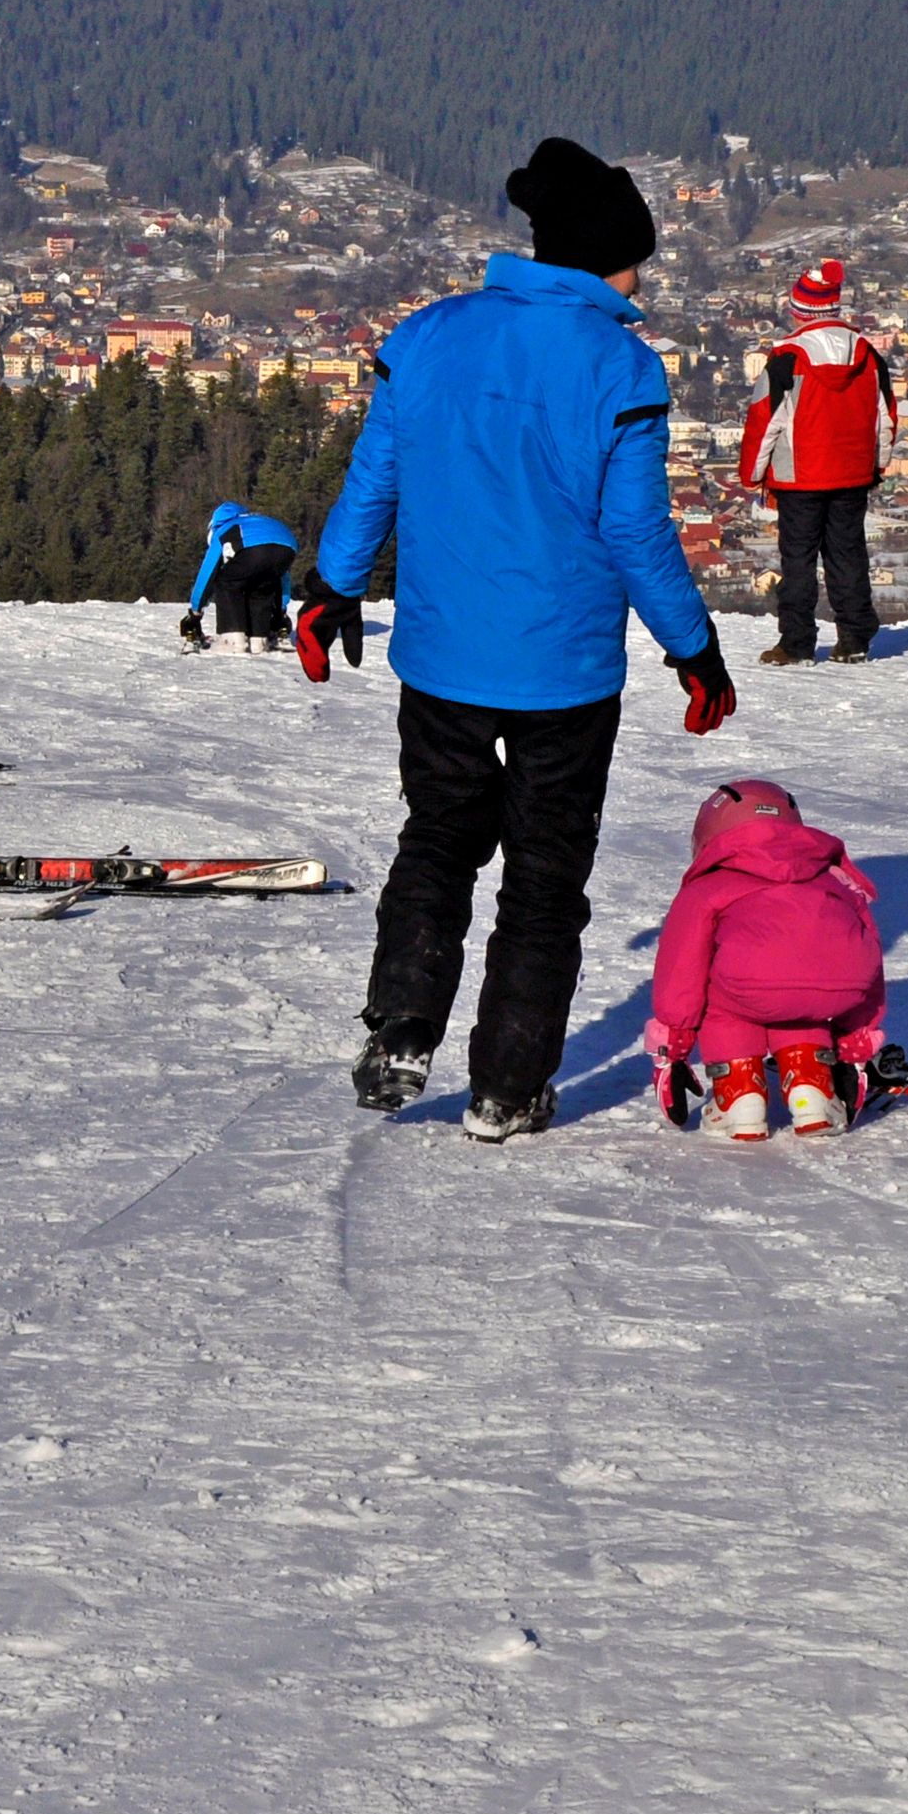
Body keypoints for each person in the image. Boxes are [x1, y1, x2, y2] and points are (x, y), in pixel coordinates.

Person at [310, 137, 738, 1140]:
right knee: (543, 883)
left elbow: (376, 480)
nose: (641, 276)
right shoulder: (619, 364)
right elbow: (633, 530)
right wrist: (692, 646)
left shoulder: (425, 336)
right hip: (564, 672)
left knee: (438, 836)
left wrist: (331, 588)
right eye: (636, 257)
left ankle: (402, 1025)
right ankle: (507, 1087)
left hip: (445, 657)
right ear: (601, 257)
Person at [643, 780, 887, 1140]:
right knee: (799, 995)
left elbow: (682, 969)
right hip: (839, 987)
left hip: (749, 988)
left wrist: (673, 1048)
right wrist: (855, 1043)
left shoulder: (710, 885)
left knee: (725, 995)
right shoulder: (834, 878)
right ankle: (811, 1086)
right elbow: (867, 950)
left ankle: (740, 1095)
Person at [742, 257, 898, 665]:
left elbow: (765, 420)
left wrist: (752, 474)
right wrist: (877, 465)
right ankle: (855, 638)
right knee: (848, 555)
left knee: (798, 561)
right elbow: (885, 417)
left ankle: (795, 643)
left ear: (800, 311)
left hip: (799, 477)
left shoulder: (787, 358)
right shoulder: (867, 356)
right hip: (852, 474)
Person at [180, 501, 301, 652]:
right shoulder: (259, 521)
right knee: (262, 587)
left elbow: (207, 575)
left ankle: (232, 640)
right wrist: (280, 610)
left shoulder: (225, 529)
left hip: (254, 550)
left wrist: (195, 612)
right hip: (287, 544)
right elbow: (282, 578)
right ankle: (259, 640)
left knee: (227, 583)